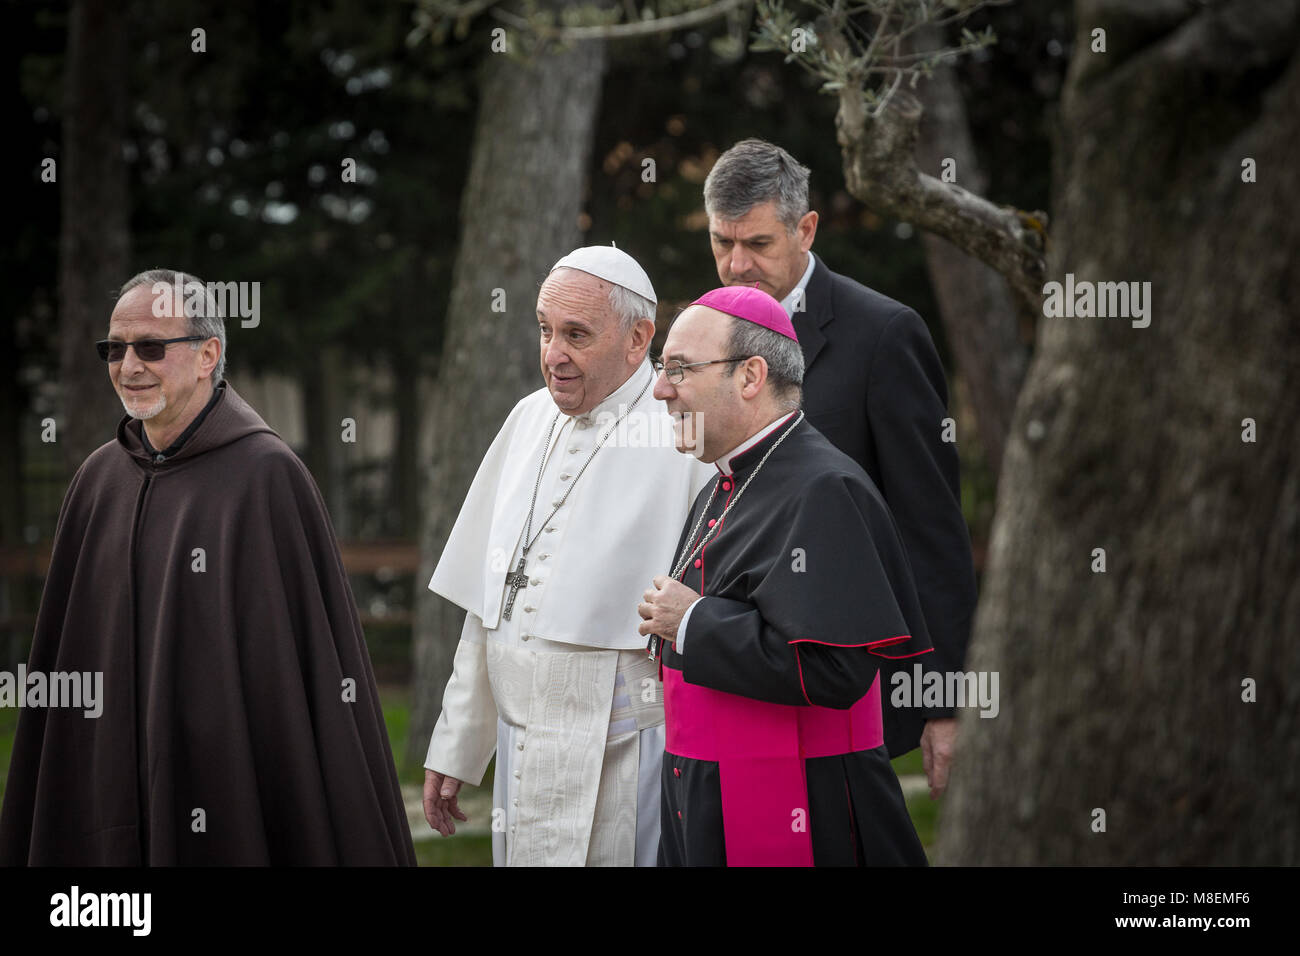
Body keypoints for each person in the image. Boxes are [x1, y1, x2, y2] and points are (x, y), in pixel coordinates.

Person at [0, 269, 415, 865]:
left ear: (207, 355)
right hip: (108, 774)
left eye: (151, 347)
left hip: (228, 782)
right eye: (114, 349)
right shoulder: (98, 481)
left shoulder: (266, 476)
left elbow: (300, 668)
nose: (129, 366)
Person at [702, 139, 978, 794]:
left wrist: (945, 700)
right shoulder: (703, 333)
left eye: (758, 244)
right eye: (721, 242)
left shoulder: (884, 334)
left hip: (844, 673)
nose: (736, 265)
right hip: (731, 665)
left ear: (805, 229)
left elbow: (931, 525)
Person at [422, 246, 712, 866]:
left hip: (625, 742)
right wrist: (458, 745)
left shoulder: (685, 435)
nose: (553, 354)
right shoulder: (527, 418)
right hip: (520, 744)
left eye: (576, 335)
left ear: (638, 339)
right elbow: (487, 608)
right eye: (545, 330)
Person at [639, 286, 933, 866]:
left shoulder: (825, 489)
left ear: (751, 376)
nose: (660, 389)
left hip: (802, 797)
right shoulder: (724, 483)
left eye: (680, 369)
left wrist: (692, 622)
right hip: (705, 789)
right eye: (662, 368)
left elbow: (836, 670)